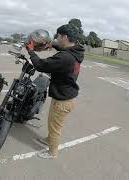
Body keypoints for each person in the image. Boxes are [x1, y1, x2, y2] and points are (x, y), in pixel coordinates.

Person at [25, 25, 85, 159]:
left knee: (55, 128)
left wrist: (31, 51)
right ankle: (49, 140)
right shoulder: (76, 52)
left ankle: (52, 153)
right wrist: (53, 46)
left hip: (63, 100)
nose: (56, 39)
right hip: (64, 96)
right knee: (52, 123)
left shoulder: (65, 57)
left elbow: (41, 65)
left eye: (58, 36)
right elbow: (64, 49)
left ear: (65, 37)